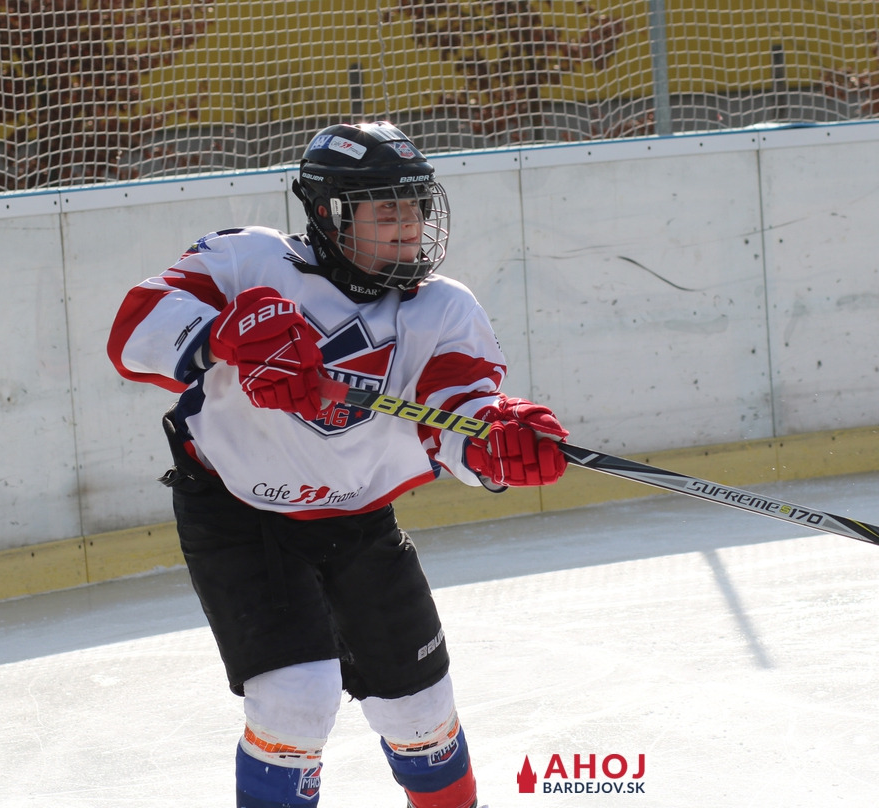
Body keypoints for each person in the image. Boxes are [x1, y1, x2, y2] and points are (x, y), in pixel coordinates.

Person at [107, 121, 568, 808]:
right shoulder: (249, 261)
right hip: (240, 517)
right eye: (387, 209)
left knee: (422, 715)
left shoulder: (443, 307)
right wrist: (226, 334)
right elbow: (133, 329)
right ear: (330, 214)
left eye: (416, 206)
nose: (408, 224)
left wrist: (494, 444)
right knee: (295, 701)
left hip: (359, 522)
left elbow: (456, 412)